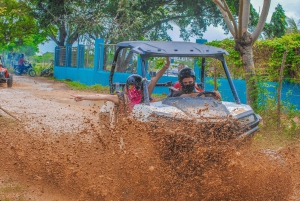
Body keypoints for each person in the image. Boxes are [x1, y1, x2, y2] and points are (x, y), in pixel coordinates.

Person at [72, 57, 171, 112]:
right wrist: (166, 65)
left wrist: (83, 96)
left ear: (126, 88)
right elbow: (155, 78)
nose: (133, 90)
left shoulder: (124, 98)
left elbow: (101, 96)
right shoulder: (145, 95)